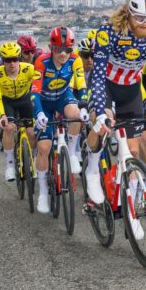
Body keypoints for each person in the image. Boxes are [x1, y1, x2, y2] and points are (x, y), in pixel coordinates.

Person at [86, 0, 146, 240]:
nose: (145, 23)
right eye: (139, 17)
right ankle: (91, 168)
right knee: (103, 123)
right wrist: (101, 110)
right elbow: (97, 77)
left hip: (131, 89)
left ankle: (131, 207)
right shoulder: (108, 32)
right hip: (107, 87)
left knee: (133, 150)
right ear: (128, 11)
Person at [31, 27, 88, 213]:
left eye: (67, 50)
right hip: (44, 103)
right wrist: (39, 113)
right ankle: (42, 192)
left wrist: (85, 106)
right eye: (58, 49)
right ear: (50, 47)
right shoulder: (41, 62)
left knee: (76, 115)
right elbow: (35, 92)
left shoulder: (75, 60)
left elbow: (81, 84)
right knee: (44, 147)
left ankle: (71, 153)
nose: (63, 54)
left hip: (63, 96)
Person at [0, 42, 36, 181]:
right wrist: (2, 115)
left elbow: (38, 88)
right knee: (9, 128)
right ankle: (9, 165)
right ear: (2, 61)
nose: (12, 63)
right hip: (7, 101)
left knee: (31, 131)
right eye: (7, 60)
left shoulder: (30, 69)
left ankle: (33, 160)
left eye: (15, 59)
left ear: (19, 58)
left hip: (25, 99)